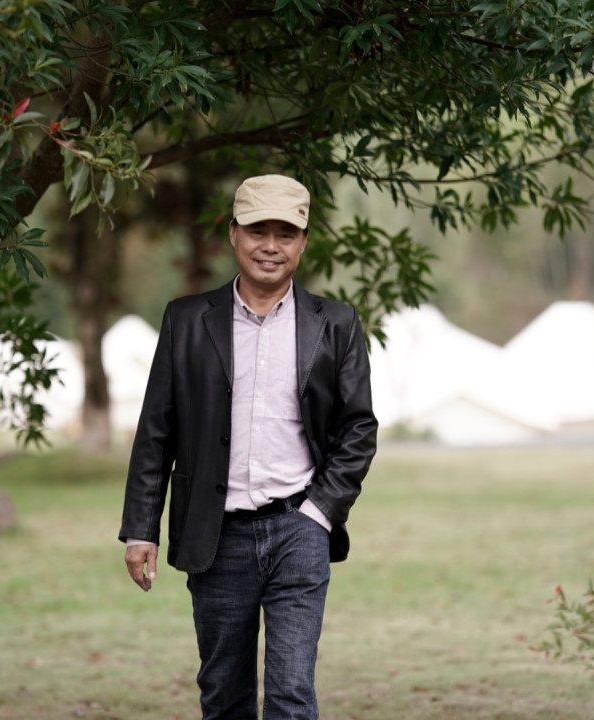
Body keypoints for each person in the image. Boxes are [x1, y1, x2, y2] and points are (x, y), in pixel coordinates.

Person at [119, 174, 378, 720]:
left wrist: (319, 513)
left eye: (286, 233)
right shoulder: (186, 321)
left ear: (303, 242)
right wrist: (141, 528)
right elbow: (156, 431)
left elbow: (358, 428)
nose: (271, 246)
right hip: (216, 536)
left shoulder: (336, 324)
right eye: (259, 231)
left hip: (299, 530)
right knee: (224, 697)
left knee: (291, 695)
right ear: (234, 234)